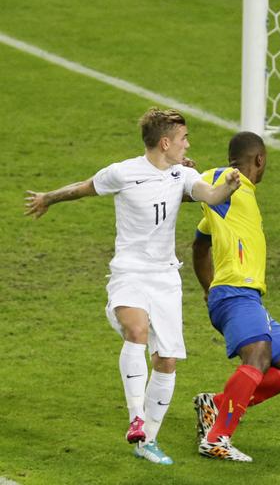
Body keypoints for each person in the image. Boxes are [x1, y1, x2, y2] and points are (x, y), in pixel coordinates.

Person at [24, 107, 241, 465]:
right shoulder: (122, 173)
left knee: (167, 361)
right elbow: (82, 189)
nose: (188, 144)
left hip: (166, 277)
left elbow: (211, 196)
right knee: (136, 330)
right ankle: (136, 417)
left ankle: (147, 441)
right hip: (130, 272)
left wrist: (227, 186)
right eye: (184, 138)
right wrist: (48, 197)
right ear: (166, 142)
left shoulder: (181, 175)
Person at [191, 131, 280, 462]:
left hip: (245, 298)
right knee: (258, 356)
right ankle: (218, 437)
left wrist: (206, 287)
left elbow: (200, 246)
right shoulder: (229, 180)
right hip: (235, 294)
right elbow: (195, 182)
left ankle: (217, 404)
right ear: (260, 160)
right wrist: (185, 172)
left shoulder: (231, 202)